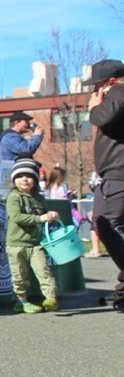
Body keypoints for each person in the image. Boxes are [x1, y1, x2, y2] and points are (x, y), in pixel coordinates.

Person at [84, 59, 124, 309]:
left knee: (106, 224)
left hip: (118, 175)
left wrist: (94, 108)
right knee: (108, 223)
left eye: (96, 86)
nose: (93, 90)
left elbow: (103, 117)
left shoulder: (118, 93)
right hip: (113, 175)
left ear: (110, 82)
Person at [4, 159, 60, 313]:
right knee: (19, 275)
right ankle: (21, 302)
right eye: (20, 176)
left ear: (35, 179)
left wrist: (51, 215)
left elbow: (45, 214)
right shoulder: (14, 196)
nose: (24, 179)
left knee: (44, 271)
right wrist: (40, 218)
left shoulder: (39, 198)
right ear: (14, 179)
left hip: (36, 244)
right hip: (16, 244)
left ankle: (51, 298)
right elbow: (16, 217)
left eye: (29, 176)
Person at [0, 111, 43, 195]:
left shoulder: (14, 137)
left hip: (15, 175)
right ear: (16, 123)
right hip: (12, 176)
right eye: (26, 122)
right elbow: (27, 150)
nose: (29, 124)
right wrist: (37, 136)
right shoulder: (10, 137)